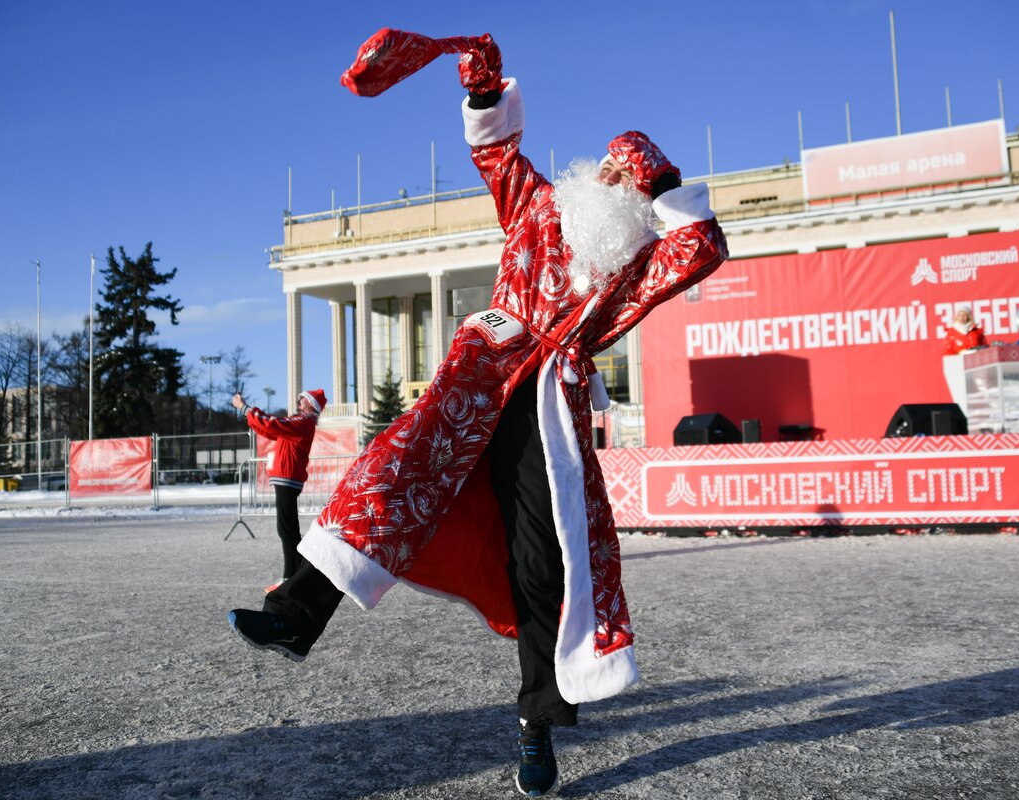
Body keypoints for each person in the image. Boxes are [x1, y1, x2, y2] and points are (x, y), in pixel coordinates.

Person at [228, 33, 728, 797]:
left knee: (539, 564)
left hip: (544, 410)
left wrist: (664, 184)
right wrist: (484, 89)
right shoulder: (537, 205)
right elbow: (496, 154)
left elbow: (698, 245)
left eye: (629, 180)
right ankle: (298, 615)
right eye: (610, 168)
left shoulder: (633, 264)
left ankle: (537, 727)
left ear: (640, 198)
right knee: (387, 476)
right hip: (475, 381)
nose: (612, 181)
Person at [232, 388, 325, 593]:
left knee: (286, 528)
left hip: (288, 478)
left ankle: (291, 576)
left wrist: (245, 408)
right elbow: (269, 429)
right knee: (287, 527)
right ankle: (296, 574)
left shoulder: (303, 422)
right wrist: (247, 413)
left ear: (310, 404)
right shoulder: (302, 422)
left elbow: (275, 424)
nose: (298, 401)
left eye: (303, 399)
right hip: (286, 478)